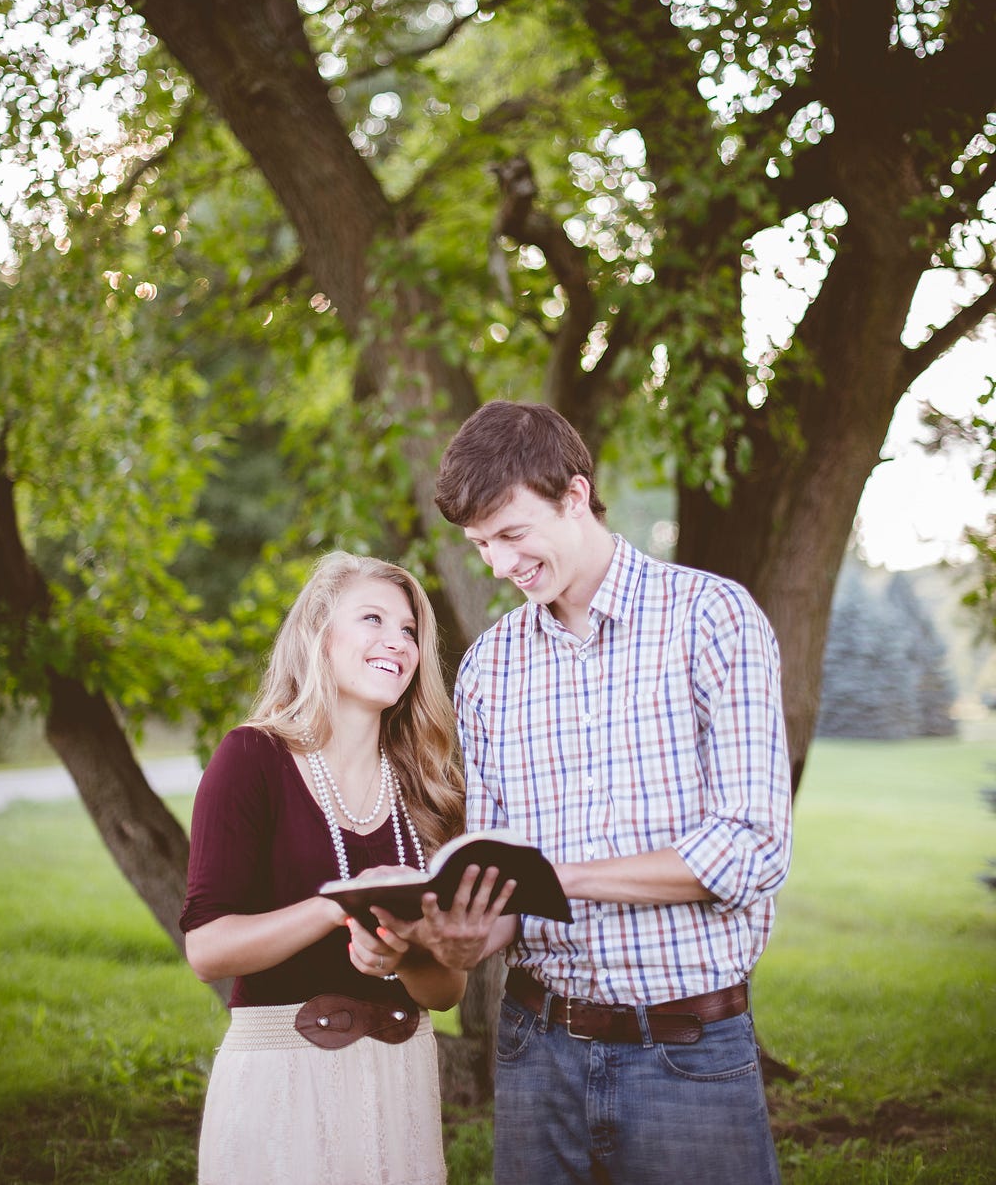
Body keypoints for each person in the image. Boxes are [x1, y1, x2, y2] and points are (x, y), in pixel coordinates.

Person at [385, 400, 793, 1184]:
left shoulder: (710, 618)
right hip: (537, 1053)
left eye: (511, 535)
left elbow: (752, 847)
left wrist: (559, 880)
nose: (500, 566)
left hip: (687, 1054)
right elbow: (500, 880)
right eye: (480, 545)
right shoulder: (493, 666)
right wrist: (466, 935)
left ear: (575, 496)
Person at [180, 551, 468, 1185]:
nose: (397, 641)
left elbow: (447, 992)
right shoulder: (252, 757)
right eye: (373, 618)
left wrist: (406, 954)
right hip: (283, 1083)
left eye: (410, 631)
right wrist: (341, 905)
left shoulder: (428, 788)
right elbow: (206, 948)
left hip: (401, 1085)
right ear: (318, 633)